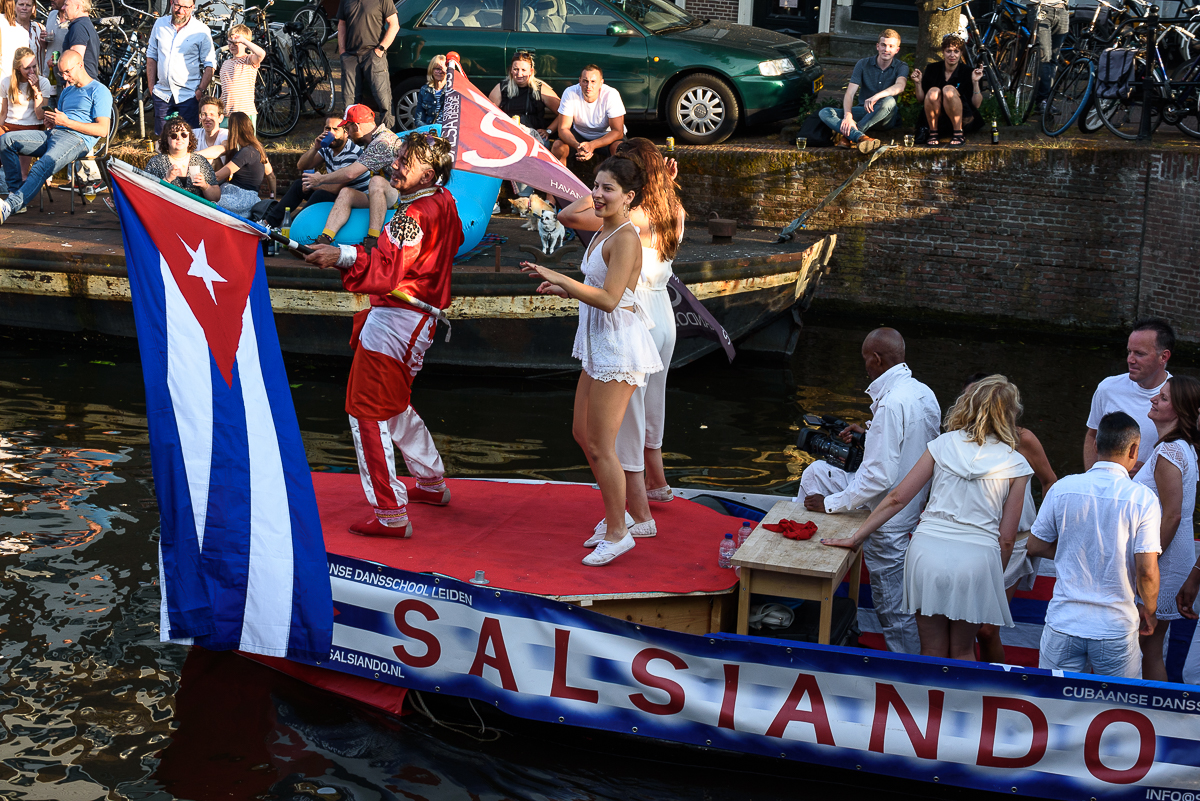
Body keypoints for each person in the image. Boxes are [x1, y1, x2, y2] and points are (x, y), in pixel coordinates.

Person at [302, 132, 463, 539]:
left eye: (404, 161)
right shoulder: (443, 200)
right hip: (417, 318)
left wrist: (339, 254)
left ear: (427, 172)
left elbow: (386, 269)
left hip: (398, 319)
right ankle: (430, 482)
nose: (395, 164)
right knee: (392, 405)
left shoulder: (412, 215)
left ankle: (390, 512)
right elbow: (454, 239)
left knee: (365, 410)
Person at [824, 376, 1032, 661]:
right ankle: (960, 706)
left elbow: (897, 498)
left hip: (927, 554)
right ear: (1010, 413)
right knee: (962, 651)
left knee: (930, 651)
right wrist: (991, 580)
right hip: (976, 560)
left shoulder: (942, 444)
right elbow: (1007, 539)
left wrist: (856, 537)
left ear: (968, 405)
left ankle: (926, 705)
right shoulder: (1016, 464)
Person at [522, 157, 664, 566]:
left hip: (620, 346)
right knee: (583, 433)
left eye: (607, 189)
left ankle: (621, 532)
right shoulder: (603, 229)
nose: (597, 196)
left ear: (629, 197)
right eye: (596, 187)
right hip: (598, 342)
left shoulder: (626, 237)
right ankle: (616, 517)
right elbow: (597, 288)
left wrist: (564, 278)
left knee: (602, 443)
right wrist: (565, 290)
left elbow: (610, 298)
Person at [557, 138, 684, 540]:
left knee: (622, 427)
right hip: (662, 311)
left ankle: (638, 514)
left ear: (632, 183)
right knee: (650, 410)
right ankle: (657, 485)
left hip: (633, 314)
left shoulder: (629, 223)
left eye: (612, 180)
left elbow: (568, 215)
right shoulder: (673, 210)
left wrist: (598, 192)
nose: (599, 193)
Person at [799, 328, 940, 654]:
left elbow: (878, 477)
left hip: (888, 514)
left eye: (866, 360)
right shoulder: (922, 392)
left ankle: (905, 671)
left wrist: (830, 504)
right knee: (816, 472)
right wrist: (869, 435)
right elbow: (917, 448)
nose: (865, 366)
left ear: (875, 359)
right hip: (912, 502)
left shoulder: (891, 404)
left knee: (892, 604)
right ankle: (811, 565)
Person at [1028, 412, 1161, 679]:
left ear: (1094, 445)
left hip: (1063, 623)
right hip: (1115, 628)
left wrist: (1073, 549)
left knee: (1054, 709)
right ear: (1134, 450)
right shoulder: (1142, 499)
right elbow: (1146, 571)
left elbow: (1034, 545)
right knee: (1117, 709)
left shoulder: (1063, 488)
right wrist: (1150, 609)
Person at [954, 372, 1057, 663]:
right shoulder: (960, 440)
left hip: (1015, 542)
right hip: (971, 541)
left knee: (986, 629)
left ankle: (991, 689)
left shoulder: (1023, 438)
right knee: (964, 625)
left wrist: (1043, 530)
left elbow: (1050, 481)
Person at [1128, 376, 1200, 681]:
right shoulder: (1182, 449)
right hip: (1171, 556)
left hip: (1162, 559)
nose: (1155, 398)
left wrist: (1149, 564)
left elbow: (1172, 516)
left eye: (1165, 398)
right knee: (1150, 646)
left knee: (1141, 645)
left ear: (1180, 411)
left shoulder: (1170, 453)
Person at [0, 49, 109, 220]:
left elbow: (103, 130)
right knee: (6, 140)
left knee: (40, 167)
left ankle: (9, 206)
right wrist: (53, 121)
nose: (64, 77)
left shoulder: (99, 90)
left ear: (80, 65)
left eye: (67, 72)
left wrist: (66, 122)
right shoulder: (67, 91)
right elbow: (61, 120)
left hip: (77, 139)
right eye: (61, 72)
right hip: (54, 134)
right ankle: (16, 196)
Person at [1084, 318, 1173, 474]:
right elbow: (1092, 436)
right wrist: (1093, 477)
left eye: (1139, 354)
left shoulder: (1181, 397)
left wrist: (1150, 470)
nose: (1130, 360)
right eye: (1129, 351)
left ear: (1164, 357)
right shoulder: (1108, 388)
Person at [308, 103, 397, 249]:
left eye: (347, 128)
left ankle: (372, 240)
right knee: (346, 192)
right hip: (383, 196)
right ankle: (324, 239)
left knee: (376, 181)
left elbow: (350, 173)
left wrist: (320, 179)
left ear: (356, 126)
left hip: (401, 196)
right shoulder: (372, 140)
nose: (347, 132)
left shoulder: (382, 142)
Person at [263, 115, 367, 228]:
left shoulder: (352, 153)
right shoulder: (327, 147)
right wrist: (315, 147)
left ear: (346, 133)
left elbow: (337, 188)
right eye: (327, 129)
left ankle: (291, 227)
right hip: (337, 194)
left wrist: (313, 185)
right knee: (299, 184)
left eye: (335, 129)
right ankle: (267, 223)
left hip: (353, 200)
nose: (330, 133)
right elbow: (301, 165)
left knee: (320, 194)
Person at [817, 28, 907, 154]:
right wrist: (848, 115)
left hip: (886, 117)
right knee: (825, 112)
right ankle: (861, 137)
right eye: (883, 45)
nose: (886, 49)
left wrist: (877, 96)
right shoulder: (863, 64)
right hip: (864, 111)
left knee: (889, 101)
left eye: (891, 46)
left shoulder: (901, 66)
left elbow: (900, 86)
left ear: (897, 50)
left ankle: (848, 136)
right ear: (877, 46)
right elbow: (850, 93)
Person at [145, 0, 216, 134]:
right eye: (177, 5)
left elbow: (210, 64)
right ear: (171, 3)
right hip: (162, 94)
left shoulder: (201, 30)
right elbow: (151, 56)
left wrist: (200, 90)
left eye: (186, 7)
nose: (180, 11)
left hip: (188, 95)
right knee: (163, 139)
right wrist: (151, 87)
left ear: (193, 7)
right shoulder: (160, 24)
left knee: (189, 138)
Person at [911, 34, 983, 147]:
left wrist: (975, 82)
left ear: (961, 53)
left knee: (948, 90)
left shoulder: (969, 71)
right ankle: (933, 132)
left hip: (963, 119)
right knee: (933, 91)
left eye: (956, 51)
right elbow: (921, 100)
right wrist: (918, 83)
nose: (952, 55)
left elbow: (977, 104)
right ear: (943, 52)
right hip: (938, 119)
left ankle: (958, 133)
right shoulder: (932, 69)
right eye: (949, 51)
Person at [337, 0, 398, 129]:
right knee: (350, 104)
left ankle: (388, 139)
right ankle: (355, 139)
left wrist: (380, 49)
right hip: (350, 56)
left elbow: (394, 24)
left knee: (384, 100)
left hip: (373, 55)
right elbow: (342, 24)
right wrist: (342, 51)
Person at [551, 65, 625, 164]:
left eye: (593, 81)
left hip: (606, 135)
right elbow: (563, 129)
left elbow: (618, 131)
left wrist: (592, 145)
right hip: (579, 135)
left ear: (601, 83)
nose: (588, 86)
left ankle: (615, 178)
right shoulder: (570, 92)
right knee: (557, 146)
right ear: (580, 81)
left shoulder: (611, 94)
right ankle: (559, 178)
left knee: (620, 150)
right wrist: (577, 145)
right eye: (585, 81)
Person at [488, 50, 561, 143]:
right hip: (508, 135)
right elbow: (487, 113)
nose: (519, 74)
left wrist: (549, 131)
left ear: (531, 71)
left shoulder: (541, 89)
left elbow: (564, 113)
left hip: (533, 136)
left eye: (523, 70)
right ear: (511, 70)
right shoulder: (501, 88)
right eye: (516, 69)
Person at [1, 47, 49, 181]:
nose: (32, 71)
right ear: (17, 68)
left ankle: (19, 197)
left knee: (21, 174)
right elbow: (3, 113)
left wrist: (36, 90)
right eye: (27, 68)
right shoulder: (6, 82)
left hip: (31, 127)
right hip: (9, 126)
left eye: (34, 66)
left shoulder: (43, 82)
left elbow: (40, 115)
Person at [144, 115, 218, 201]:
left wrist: (205, 186)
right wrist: (166, 180)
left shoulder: (200, 161)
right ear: (166, 139)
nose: (179, 138)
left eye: (183, 134)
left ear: (189, 137)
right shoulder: (156, 162)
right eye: (174, 135)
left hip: (195, 211)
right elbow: (146, 195)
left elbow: (216, 197)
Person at [212, 111, 272, 215]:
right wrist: (272, 197)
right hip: (251, 198)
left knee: (206, 202)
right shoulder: (258, 148)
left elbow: (218, 176)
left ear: (234, 130)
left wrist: (199, 181)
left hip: (238, 197)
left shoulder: (246, 152)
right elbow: (271, 176)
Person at [218, 24, 263, 130]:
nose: (232, 45)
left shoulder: (249, 60)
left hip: (244, 113)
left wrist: (244, 40)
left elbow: (261, 54)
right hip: (226, 113)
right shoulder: (226, 63)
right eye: (229, 42)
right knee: (226, 144)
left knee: (245, 144)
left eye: (236, 42)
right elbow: (225, 89)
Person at [1032, 0, 1070, 112]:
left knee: (1054, 59)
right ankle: (1042, 100)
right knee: (1045, 58)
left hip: (1062, 10)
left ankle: (1047, 100)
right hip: (1042, 8)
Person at [39, 0, 67, 108]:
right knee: (48, 116)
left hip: (64, 79)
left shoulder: (74, 20)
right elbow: (46, 46)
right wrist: (42, 40)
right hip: (48, 77)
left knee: (62, 116)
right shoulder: (52, 14)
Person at [414, 54, 448, 127]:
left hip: (447, 132)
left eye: (442, 69)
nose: (440, 72)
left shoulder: (452, 90)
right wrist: (429, 131)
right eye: (437, 69)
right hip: (429, 131)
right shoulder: (424, 90)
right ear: (431, 70)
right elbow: (418, 120)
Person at [14, 0, 40, 68]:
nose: (24, 8)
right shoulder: (8, 28)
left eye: (28, 5)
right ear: (14, 7)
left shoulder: (40, 28)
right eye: (21, 4)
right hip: (15, 76)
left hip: (37, 75)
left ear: (33, 8)